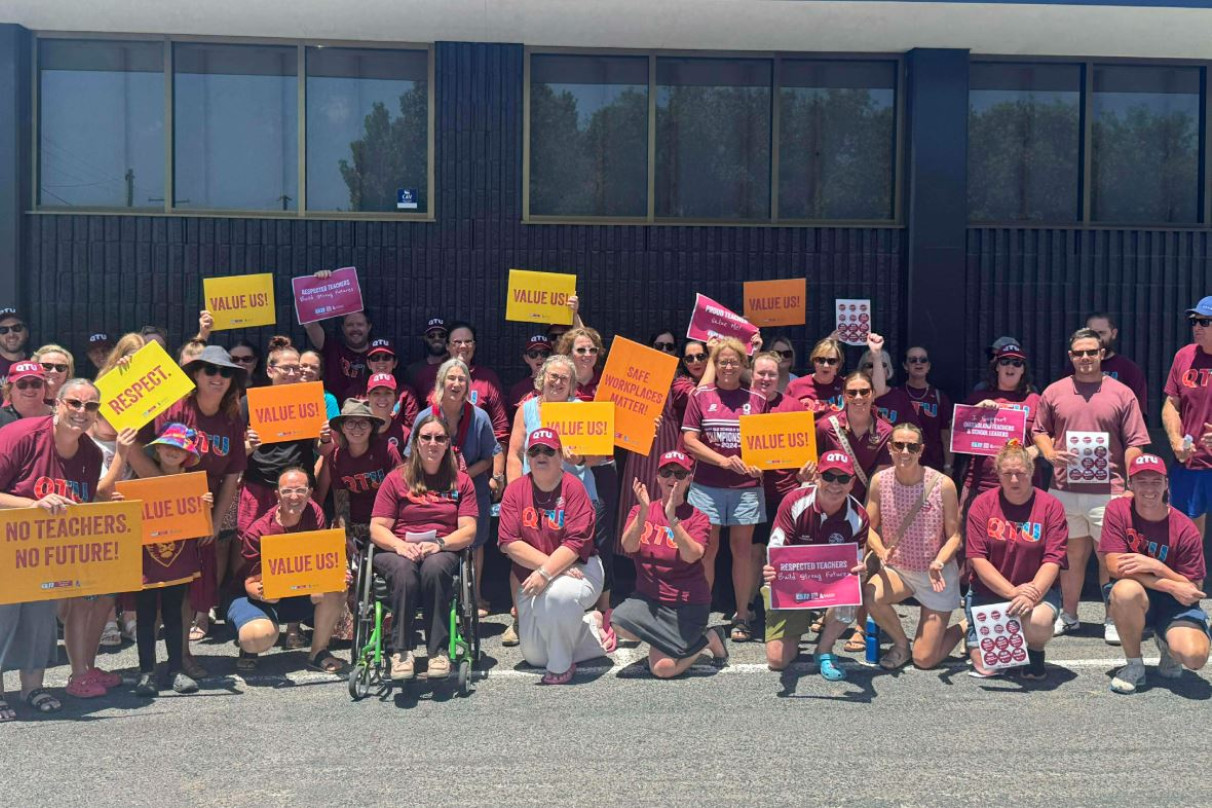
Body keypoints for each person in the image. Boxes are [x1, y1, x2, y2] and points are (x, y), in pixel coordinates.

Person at [1032, 327, 1150, 644]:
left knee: (1109, 558)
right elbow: (1039, 431)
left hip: (1109, 491)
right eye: (1079, 353)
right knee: (1070, 558)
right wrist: (1048, 453)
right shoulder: (1054, 391)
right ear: (1071, 357)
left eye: (1091, 352)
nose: (1085, 358)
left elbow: (1135, 442)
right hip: (1063, 489)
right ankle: (1069, 616)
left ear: (1101, 354)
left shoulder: (1122, 393)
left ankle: (1112, 618)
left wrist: (1129, 486)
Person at [0, 379, 110, 714]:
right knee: (3, 618)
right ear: (57, 403)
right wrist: (30, 506)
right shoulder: (20, 435)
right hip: (5, 542)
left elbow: (82, 506)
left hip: (44, 550)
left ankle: (31, 689)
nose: (81, 412)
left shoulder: (91, 454)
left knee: (39, 618)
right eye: (74, 403)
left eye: (90, 406)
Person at [506, 354, 611, 645]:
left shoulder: (583, 409)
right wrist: (514, 494)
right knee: (522, 559)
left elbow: (600, 456)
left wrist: (581, 457)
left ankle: (580, 618)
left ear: (572, 384)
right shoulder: (526, 409)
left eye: (564, 378)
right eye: (553, 376)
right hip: (532, 498)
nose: (558, 382)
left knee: (578, 555)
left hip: (575, 497)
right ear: (541, 379)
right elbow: (515, 453)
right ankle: (521, 619)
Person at [157, 345, 248, 674]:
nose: (219, 377)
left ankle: (181, 656)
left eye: (226, 372)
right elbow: (155, 454)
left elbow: (232, 475)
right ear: (195, 374)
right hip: (169, 504)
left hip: (207, 506)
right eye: (210, 370)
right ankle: (150, 662)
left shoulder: (231, 418)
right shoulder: (177, 408)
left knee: (190, 585)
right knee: (164, 583)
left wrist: (214, 521)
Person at [498, 428, 612, 684]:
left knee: (557, 596)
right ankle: (590, 628)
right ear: (528, 457)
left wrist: (547, 572)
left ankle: (561, 666)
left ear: (560, 456)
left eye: (549, 450)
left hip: (582, 569)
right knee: (535, 656)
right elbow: (508, 543)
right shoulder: (515, 491)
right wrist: (548, 569)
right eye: (535, 450)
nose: (542, 455)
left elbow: (576, 542)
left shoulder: (574, 488)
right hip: (540, 574)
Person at [369, 415, 478, 680]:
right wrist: (398, 546)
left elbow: (468, 530)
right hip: (398, 548)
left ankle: (437, 651)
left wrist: (439, 544)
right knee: (404, 572)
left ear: (448, 444)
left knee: (434, 569)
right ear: (416, 443)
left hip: (441, 548)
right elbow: (377, 528)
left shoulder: (461, 481)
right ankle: (401, 652)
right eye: (426, 437)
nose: (433, 443)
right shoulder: (396, 479)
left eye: (439, 438)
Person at [110, 424, 212, 696]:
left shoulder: (195, 485)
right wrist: (121, 502)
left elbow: (204, 525)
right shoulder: (136, 485)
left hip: (179, 555)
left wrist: (204, 506)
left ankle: (176, 669)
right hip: (147, 557)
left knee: (175, 613)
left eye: (180, 447)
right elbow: (125, 517)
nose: (172, 451)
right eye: (168, 445)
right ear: (156, 449)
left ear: (188, 455)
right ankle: (147, 672)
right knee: (145, 616)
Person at [681, 337, 768, 642]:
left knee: (742, 551)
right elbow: (689, 442)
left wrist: (762, 463)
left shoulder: (757, 399)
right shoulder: (700, 397)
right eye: (722, 361)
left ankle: (742, 615)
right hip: (707, 485)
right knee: (707, 550)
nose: (728, 366)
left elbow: (766, 444)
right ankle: (702, 614)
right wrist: (724, 461)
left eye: (734, 361)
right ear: (714, 365)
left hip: (746, 487)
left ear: (744, 364)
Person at [1102, 454, 1210, 693]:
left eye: (1155, 481)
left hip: (1176, 604)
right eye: (1141, 481)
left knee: (1195, 657)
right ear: (1130, 484)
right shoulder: (1118, 510)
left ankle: (1168, 644)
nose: (1148, 488)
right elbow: (1114, 566)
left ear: (1166, 484)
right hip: (1140, 596)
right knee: (1125, 590)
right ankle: (1134, 665)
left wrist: (1156, 566)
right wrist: (1170, 584)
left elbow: (1194, 589)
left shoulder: (1184, 528)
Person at [615, 451, 728, 677]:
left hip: (687, 606)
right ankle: (666, 642)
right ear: (658, 477)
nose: (672, 478)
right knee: (618, 622)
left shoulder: (699, 517)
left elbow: (691, 555)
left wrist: (672, 519)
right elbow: (628, 546)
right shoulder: (641, 510)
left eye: (680, 473)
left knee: (663, 670)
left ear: (689, 479)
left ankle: (710, 637)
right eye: (666, 472)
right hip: (651, 603)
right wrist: (644, 513)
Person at [761, 450, 870, 680]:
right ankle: (796, 628)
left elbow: (855, 562)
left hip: (828, 583)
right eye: (829, 477)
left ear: (852, 483)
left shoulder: (858, 516)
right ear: (818, 476)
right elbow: (777, 546)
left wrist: (861, 571)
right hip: (793, 584)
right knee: (777, 661)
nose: (835, 484)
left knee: (855, 586)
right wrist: (771, 568)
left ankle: (824, 649)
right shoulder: (795, 500)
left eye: (842, 479)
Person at [864, 423, 965, 670]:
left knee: (925, 660)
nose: (905, 452)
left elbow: (955, 537)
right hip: (899, 570)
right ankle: (901, 644)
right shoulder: (879, 481)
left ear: (921, 450)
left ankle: (966, 625)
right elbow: (867, 526)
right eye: (899, 445)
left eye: (912, 446)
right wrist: (879, 550)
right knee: (870, 594)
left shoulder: (943, 484)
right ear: (890, 448)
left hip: (935, 574)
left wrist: (939, 561)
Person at [227, 467, 348, 673]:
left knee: (336, 585)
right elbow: (249, 584)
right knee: (257, 638)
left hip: (296, 592)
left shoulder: (314, 512)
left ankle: (318, 652)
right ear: (277, 495)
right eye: (287, 491)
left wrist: (333, 575)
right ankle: (249, 646)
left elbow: (320, 561)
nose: (294, 497)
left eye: (301, 490)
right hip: (257, 598)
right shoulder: (257, 532)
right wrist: (263, 594)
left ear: (309, 493)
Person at [964, 441, 1067, 679]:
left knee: (1039, 622)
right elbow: (977, 558)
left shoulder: (1051, 506)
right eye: (1007, 473)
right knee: (990, 669)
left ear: (1031, 471)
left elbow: (1054, 558)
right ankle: (971, 629)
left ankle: (1035, 650)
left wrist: (1031, 594)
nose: (1014, 480)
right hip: (990, 592)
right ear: (997, 474)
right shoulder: (982, 504)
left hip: (1035, 591)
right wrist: (1012, 592)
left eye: (1020, 473)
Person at [412, 358, 504, 616]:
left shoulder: (480, 417)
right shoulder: (426, 416)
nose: (456, 383)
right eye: (451, 378)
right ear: (441, 383)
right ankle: (431, 594)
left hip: (472, 485)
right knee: (435, 538)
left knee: (475, 541)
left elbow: (489, 457)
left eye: (461, 379)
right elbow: (412, 457)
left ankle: (474, 595)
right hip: (433, 488)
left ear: (468, 386)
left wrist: (461, 475)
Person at [617, 334, 702, 538]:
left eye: (670, 347)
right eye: (659, 346)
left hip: (668, 446)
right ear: (650, 348)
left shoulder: (680, 382)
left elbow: (699, 395)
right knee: (635, 494)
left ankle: (664, 546)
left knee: (666, 496)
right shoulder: (634, 375)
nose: (664, 351)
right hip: (639, 448)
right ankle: (631, 550)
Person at [960, 342, 1042, 511]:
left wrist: (1037, 449)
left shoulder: (1035, 400)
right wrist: (975, 412)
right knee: (973, 534)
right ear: (996, 366)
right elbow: (957, 434)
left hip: (1023, 482)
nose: (1010, 366)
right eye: (1004, 361)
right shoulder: (978, 397)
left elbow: (1054, 435)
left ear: (1022, 370)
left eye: (1016, 363)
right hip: (981, 482)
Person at [1162, 297, 1212, 546]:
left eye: (1204, 321)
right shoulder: (1184, 356)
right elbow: (1171, 404)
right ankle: (1192, 586)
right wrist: (1175, 440)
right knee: (1187, 542)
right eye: (1194, 321)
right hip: (1191, 464)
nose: (1197, 327)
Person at [411, 323, 510, 445]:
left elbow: (500, 431)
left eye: (468, 341)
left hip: (476, 460)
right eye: (457, 342)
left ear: (474, 346)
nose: (463, 346)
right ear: (447, 346)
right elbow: (415, 424)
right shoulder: (426, 375)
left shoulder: (487, 378)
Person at [319, 399, 402, 537]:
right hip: (354, 524)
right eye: (350, 423)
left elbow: (400, 494)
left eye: (363, 423)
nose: (357, 428)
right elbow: (341, 502)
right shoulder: (336, 457)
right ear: (342, 428)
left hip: (387, 523)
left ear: (372, 427)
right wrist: (345, 535)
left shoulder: (387, 451)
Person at [815, 370, 892, 506]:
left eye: (864, 392)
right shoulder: (826, 427)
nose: (858, 397)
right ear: (844, 396)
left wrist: (866, 517)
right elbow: (817, 470)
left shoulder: (886, 432)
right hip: (829, 503)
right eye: (852, 393)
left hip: (867, 504)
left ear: (873, 395)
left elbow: (878, 481)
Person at [303, 274, 374, 401]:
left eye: (360, 324)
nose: (355, 329)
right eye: (350, 325)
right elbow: (309, 324)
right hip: (335, 414)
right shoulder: (332, 349)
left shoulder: (379, 354)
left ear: (369, 327)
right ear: (342, 328)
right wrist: (320, 283)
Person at [900, 346, 953, 474]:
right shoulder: (897, 394)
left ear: (928, 366)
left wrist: (948, 466)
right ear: (906, 366)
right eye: (913, 360)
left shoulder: (940, 397)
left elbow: (946, 436)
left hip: (933, 466)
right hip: (903, 464)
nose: (918, 363)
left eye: (923, 360)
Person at [1084, 312, 1148, 418]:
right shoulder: (1073, 370)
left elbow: (1137, 415)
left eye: (1101, 333)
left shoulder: (1130, 371)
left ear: (1113, 334)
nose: (1097, 338)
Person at [364, 338, 419, 427]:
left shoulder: (407, 393)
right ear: (369, 364)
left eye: (386, 357)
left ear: (395, 363)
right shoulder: (354, 393)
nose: (381, 362)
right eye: (375, 358)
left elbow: (411, 429)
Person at [787, 335, 845, 414]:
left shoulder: (846, 387)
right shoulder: (795, 386)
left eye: (831, 361)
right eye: (821, 360)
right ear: (813, 361)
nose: (826, 365)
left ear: (838, 364)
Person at [507, 335, 553, 420]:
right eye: (533, 354)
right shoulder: (518, 389)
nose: (539, 357)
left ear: (551, 356)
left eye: (544, 353)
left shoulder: (560, 385)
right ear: (526, 358)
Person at [366, 372, 410, 452]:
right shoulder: (358, 431)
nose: (382, 398)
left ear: (396, 398)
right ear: (368, 397)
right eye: (376, 393)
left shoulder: (405, 435)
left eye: (388, 393)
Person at [0, 362, 52, 427]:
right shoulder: (1, 417)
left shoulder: (59, 417)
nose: (29, 390)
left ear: (44, 387)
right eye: (22, 384)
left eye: (36, 383)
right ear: (10, 389)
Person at [404, 317, 449, 392]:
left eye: (442, 335)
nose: (437, 338)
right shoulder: (413, 371)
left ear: (448, 338)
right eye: (431, 335)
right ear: (425, 338)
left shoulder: (456, 368)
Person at [299, 348, 339, 418]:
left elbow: (336, 427)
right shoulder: (284, 394)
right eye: (304, 365)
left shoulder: (328, 399)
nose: (308, 370)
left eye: (313, 367)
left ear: (320, 373)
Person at [0, 307, 30, 386]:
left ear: (27, 332)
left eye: (17, 328)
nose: (11, 334)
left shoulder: (37, 363)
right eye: (3, 330)